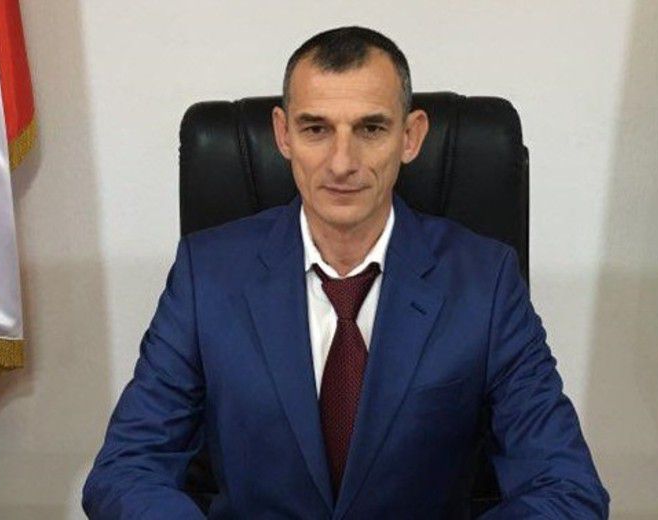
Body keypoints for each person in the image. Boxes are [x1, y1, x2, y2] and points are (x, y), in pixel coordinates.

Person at [83, 25, 609, 519]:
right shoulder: (207, 276)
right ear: (283, 134)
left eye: (370, 128)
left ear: (411, 136)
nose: (341, 162)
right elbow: (127, 469)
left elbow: (567, 488)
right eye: (316, 129)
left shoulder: (485, 283)